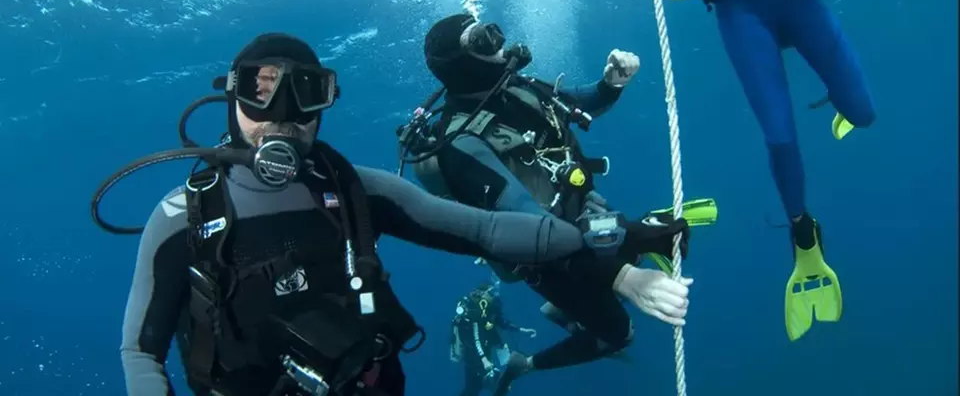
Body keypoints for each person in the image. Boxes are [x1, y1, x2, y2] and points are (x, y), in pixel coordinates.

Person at [111, 32, 697, 396]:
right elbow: (142, 351)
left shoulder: (357, 189)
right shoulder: (181, 217)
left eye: (305, 92)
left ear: (326, 101)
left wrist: (618, 246)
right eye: (260, 91)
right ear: (231, 97)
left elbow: (490, 231)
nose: (283, 115)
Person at [602, 0, 875, 341]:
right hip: (739, 11)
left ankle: (842, 105)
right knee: (779, 134)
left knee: (863, 113)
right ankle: (803, 234)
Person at [398, 13, 706, 396]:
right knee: (618, 334)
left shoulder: (518, 88)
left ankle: (571, 304)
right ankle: (524, 364)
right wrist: (624, 277)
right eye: (482, 40)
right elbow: (533, 225)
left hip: (586, 217)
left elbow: (573, 101)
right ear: (461, 64)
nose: (498, 44)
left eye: (494, 32)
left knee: (654, 238)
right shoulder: (461, 144)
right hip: (548, 258)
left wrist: (609, 85)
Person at [449, 279, 537, 396]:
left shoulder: (489, 309)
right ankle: (491, 384)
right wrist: (484, 360)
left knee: (476, 387)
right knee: (475, 387)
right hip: (473, 354)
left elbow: (501, 321)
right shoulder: (475, 313)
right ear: (482, 294)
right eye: (491, 293)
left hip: (484, 350)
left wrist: (521, 329)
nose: (494, 296)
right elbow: (476, 338)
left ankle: (490, 383)